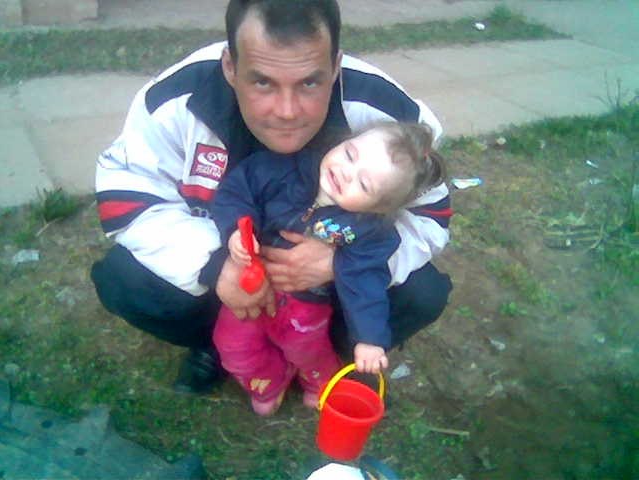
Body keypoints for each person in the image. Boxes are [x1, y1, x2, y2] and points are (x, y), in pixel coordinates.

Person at [90, 0, 453, 394]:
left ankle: (320, 353)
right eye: (262, 82)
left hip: (325, 290)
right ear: (230, 66)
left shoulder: (391, 116)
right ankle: (218, 344)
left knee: (423, 293)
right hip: (232, 275)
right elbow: (126, 198)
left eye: (309, 83)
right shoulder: (173, 100)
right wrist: (214, 264)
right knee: (124, 280)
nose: (287, 111)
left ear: (335, 67)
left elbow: (431, 217)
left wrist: (340, 263)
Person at [212, 121, 447, 416]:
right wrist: (235, 231)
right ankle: (268, 380)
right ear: (343, 141)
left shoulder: (368, 231)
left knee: (306, 350)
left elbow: (366, 284)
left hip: (306, 306)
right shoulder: (280, 168)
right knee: (233, 344)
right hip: (251, 290)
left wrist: (370, 339)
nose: (346, 172)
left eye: (364, 184)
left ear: (377, 208)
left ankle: (319, 381)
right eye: (350, 154)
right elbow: (236, 192)